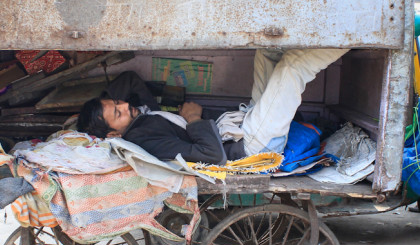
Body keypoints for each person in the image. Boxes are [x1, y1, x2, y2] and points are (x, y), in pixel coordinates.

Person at [78, 49, 349, 164]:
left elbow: (130, 80)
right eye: (117, 112)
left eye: (118, 102)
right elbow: (211, 156)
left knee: (268, 52)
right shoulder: (144, 138)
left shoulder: (142, 116)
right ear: (113, 134)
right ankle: (355, 34)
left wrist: (102, 106)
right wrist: (194, 118)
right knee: (292, 65)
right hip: (252, 147)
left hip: (245, 124)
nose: (125, 105)